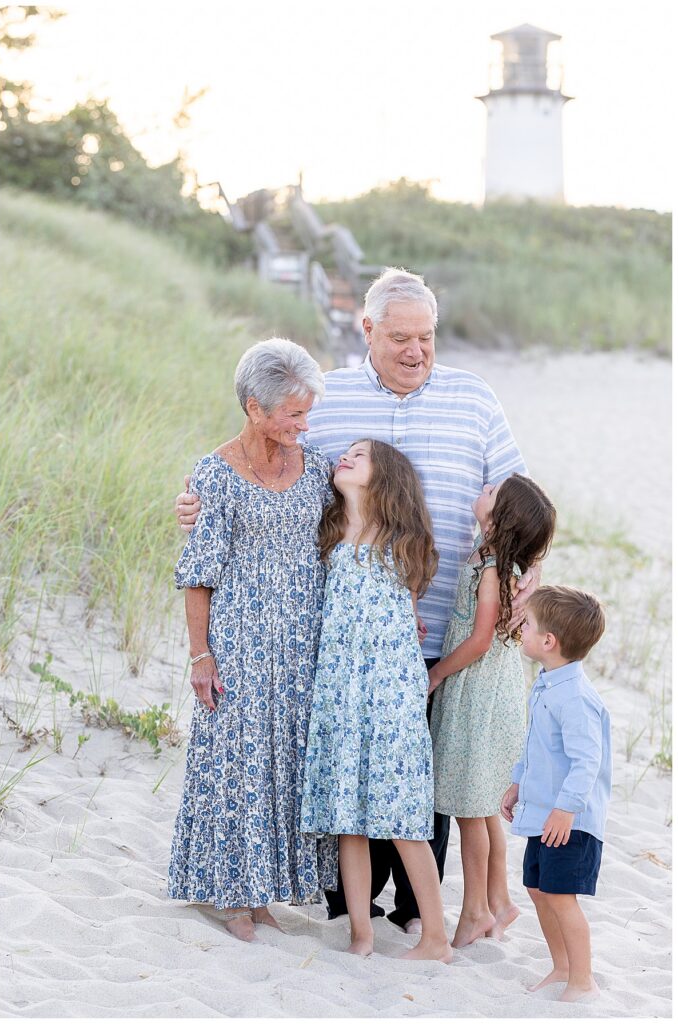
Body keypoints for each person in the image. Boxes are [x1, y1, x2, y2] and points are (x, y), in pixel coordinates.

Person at [174, 267, 533, 932]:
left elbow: (519, 498)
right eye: (399, 336)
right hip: (340, 635)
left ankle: (409, 918)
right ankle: (350, 911)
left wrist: (526, 566)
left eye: (426, 336)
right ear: (367, 331)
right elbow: (269, 469)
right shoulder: (326, 397)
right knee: (347, 769)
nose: (415, 350)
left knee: (418, 786)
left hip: (445, 629)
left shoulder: (475, 398)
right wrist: (199, 503)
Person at [168, 338, 338, 943]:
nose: (302, 423)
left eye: (306, 411)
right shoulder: (214, 474)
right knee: (236, 762)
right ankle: (231, 896)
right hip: (238, 641)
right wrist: (199, 654)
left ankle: (263, 893)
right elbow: (198, 571)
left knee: (286, 761)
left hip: (302, 640)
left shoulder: (316, 466)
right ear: (253, 407)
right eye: (291, 412)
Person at [300, 439, 452, 963]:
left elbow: (407, 614)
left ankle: (435, 938)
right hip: (341, 693)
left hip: (389, 697)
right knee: (349, 819)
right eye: (345, 452)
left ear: (383, 477)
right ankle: (361, 934)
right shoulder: (330, 532)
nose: (345, 458)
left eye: (359, 455)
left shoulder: (401, 541)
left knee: (404, 817)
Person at [428, 474, 556, 947]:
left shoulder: (490, 566)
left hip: (475, 692)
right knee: (483, 807)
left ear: (498, 517)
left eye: (492, 494)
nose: (482, 491)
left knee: (469, 810)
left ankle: (474, 912)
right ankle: (498, 902)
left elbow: (480, 639)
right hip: (496, 691)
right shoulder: (506, 562)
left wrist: (438, 673)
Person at [501, 586, 610, 1003]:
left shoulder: (575, 697)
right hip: (543, 812)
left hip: (571, 820)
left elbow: (587, 761)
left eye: (526, 624)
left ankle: (584, 981)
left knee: (562, 897)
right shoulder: (547, 684)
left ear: (549, 642)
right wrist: (516, 783)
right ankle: (561, 967)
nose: (521, 628)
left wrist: (566, 810)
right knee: (538, 888)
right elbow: (536, 745)